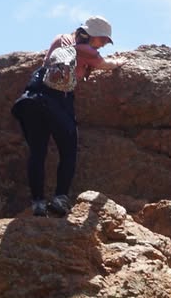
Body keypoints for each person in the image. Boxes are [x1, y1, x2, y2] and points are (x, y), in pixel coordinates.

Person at [11, 16, 121, 217]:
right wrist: (121, 61)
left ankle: (37, 203)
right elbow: (107, 65)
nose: (104, 44)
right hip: (57, 102)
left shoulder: (60, 39)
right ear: (91, 35)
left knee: (37, 152)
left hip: (32, 100)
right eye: (103, 40)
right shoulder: (87, 51)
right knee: (68, 150)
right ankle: (60, 198)